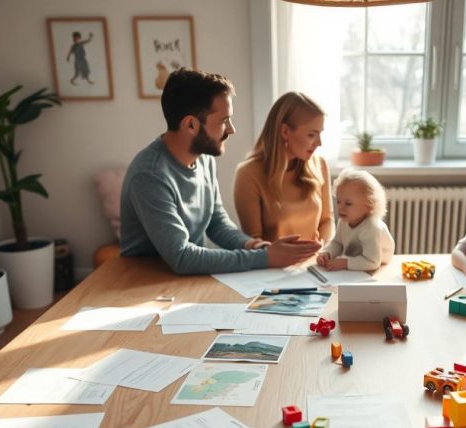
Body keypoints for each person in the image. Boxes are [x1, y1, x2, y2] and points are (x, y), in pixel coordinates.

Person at [120, 68, 320, 274]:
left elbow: (216, 223)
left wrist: (258, 246)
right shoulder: (150, 175)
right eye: (224, 121)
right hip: (143, 281)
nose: (231, 129)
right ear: (191, 125)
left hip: (184, 278)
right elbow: (181, 257)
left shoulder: (204, 157)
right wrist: (265, 257)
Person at [234, 92, 334, 245]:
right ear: (285, 131)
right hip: (273, 266)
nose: (319, 143)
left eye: (320, 134)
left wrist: (322, 249)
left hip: (314, 264)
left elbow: (327, 220)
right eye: (311, 135)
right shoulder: (248, 174)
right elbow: (254, 242)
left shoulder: (320, 165)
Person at [317, 169, 394, 271]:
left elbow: (373, 262)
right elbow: (337, 243)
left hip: (378, 265)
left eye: (348, 203)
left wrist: (345, 263)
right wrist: (327, 253)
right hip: (356, 259)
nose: (340, 208)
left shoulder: (371, 228)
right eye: (339, 201)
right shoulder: (344, 221)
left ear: (369, 205)